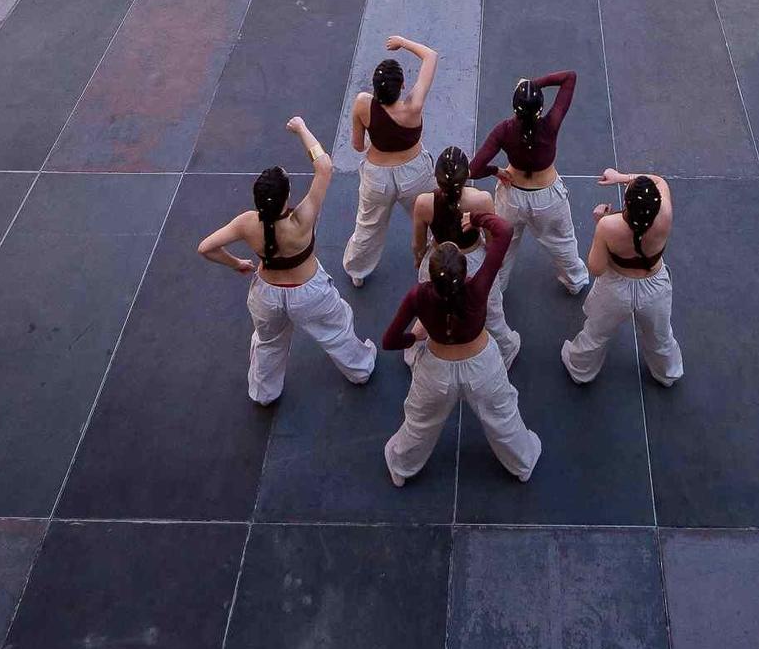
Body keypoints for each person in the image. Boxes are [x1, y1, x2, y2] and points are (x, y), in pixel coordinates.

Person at [198, 116, 375, 408]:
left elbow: (206, 247)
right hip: (309, 293)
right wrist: (303, 129)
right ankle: (361, 369)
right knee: (336, 329)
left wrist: (236, 263)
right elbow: (324, 166)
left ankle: (263, 393)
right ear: (286, 197)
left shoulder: (246, 223)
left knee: (268, 343)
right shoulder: (302, 219)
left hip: (266, 294)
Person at [381, 211, 539, 485]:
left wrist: (415, 338)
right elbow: (504, 231)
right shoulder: (478, 288)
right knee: (503, 417)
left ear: (430, 274)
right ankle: (522, 463)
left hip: (435, 371)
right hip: (482, 366)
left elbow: (389, 341)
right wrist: (475, 218)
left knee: (419, 424)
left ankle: (402, 467)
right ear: (466, 270)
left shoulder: (418, 296)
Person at [561, 167, 683, 388]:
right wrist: (622, 178)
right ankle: (668, 373)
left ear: (627, 205)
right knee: (660, 336)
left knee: (596, 334)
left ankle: (580, 370)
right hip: (655, 288)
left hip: (615, 289)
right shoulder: (665, 212)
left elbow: (596, 268)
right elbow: (659, 180)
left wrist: (600, 221)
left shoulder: (609, 226)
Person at [469, 73, 588, 297]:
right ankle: (575, 281)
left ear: (515, 108)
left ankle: (497, 288)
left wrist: (495, 171)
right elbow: (569, 78)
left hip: (512, 196)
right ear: (541, 108)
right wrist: (532, 84)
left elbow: (473, 169)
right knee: (562, 242)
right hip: (548, 199)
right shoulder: (551, 124)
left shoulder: (503, 131)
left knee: (503, 246)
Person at [409, 146, 519, 368]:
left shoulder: (423, 202)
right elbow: (490, 238)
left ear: (436, 177)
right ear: (467, 174)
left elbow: (417, 243)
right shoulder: (482, 200)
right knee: (490, 309)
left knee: (434, 306)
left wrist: (420, 259)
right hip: (474, 260)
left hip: (438, 260)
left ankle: (417, 353)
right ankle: (505, 349)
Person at [342, 35, 439, 286]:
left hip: (377, 176)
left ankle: (358, 271)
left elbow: (357, 145)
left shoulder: (363, 104)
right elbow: (431, 56)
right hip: (415, 173)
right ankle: (434, 264)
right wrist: (403, 42)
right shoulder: (413, 106)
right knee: (431, 217)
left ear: (375, 88)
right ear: (402, 85)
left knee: (368, 225)